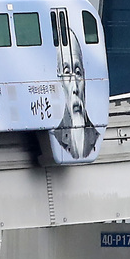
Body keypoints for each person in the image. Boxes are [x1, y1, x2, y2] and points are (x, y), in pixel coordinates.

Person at [50, 27, 99, 161]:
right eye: (67, 73)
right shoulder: (56, 137)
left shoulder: (96, 135)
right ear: (59, 79)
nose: (75, 88)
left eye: (77, 73)